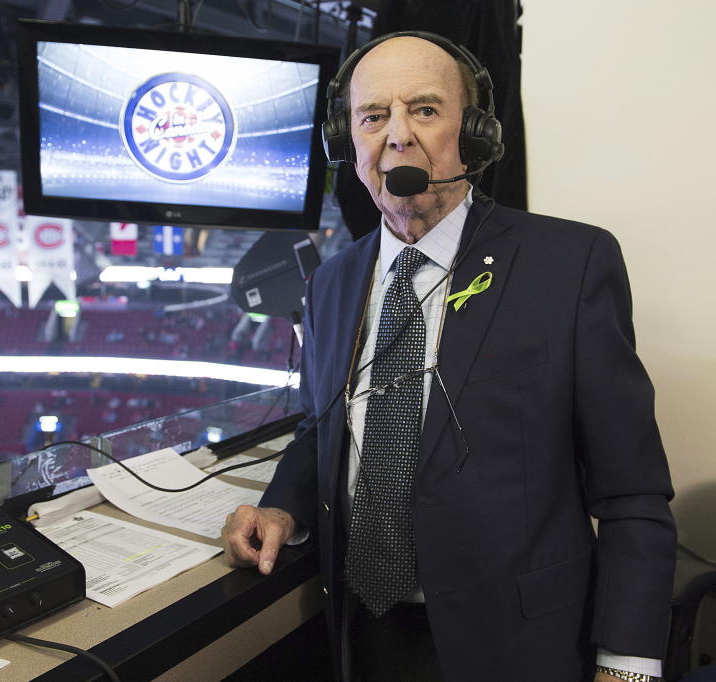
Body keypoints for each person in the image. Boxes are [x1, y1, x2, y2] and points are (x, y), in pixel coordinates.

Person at [221, 32, 675, 682]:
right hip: (361, 633)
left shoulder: (569, 265)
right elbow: (323, 425)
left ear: (476, 135)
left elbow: (632, 492)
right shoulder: (332, 282)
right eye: (373, 117)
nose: (397, 136)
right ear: (347, 145)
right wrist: (279, 507)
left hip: (516, 646)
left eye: (425, 110)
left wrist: (627, 667)